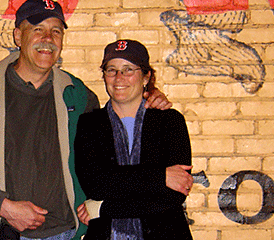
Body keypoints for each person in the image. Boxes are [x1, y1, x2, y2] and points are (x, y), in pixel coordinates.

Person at [0, 0, 172, 240]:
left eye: (56, 31)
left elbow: (113, 152)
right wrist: (4, 207)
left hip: (67, 233)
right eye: (38, 29)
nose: (48, 39)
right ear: (18, 36)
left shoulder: (78, 95)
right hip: (4, 231)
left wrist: (147, 101)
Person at [74, 39, 193, 240]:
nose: (119, 78)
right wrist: (160, 177)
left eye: (128, 69)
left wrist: (104, 208)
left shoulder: (170, 122)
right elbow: (96, 184)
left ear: (146, 76)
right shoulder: (89, 124)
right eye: (111, 70)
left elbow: (173, 196)